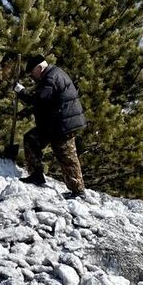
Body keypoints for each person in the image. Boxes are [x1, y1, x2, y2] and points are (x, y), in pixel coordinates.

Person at [13, 54, 86, 199]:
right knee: (31, 139)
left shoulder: (51, 77)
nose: (32, 77)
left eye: (32, 73)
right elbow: (44, 101)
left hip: (63, 125)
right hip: (54, 124)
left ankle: (78, 191)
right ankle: (36, 175)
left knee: (66, 155)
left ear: (39, 68)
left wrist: (21, 92)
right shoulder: (52, 74)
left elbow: (40, 99)